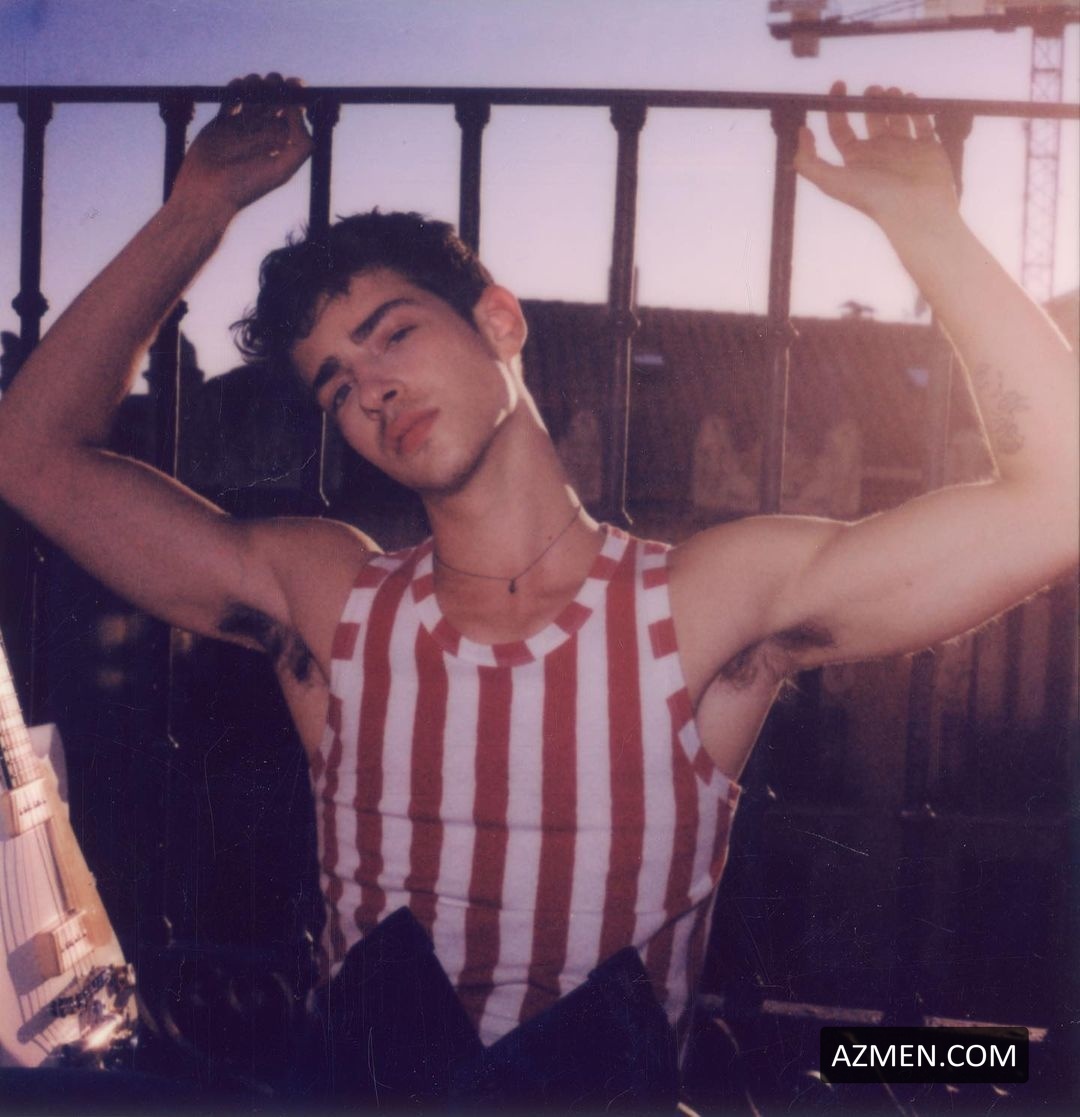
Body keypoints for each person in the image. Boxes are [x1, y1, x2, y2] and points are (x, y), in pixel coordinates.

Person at [0, 72, 1075, 1104]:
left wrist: (928, 226)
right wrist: (196, 211)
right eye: (337, 385)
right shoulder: (329, 599)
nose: (373, 389)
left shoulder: (698, 604)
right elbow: (31, 454)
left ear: (500, 323)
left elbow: (1058, 501)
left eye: (395, 334)